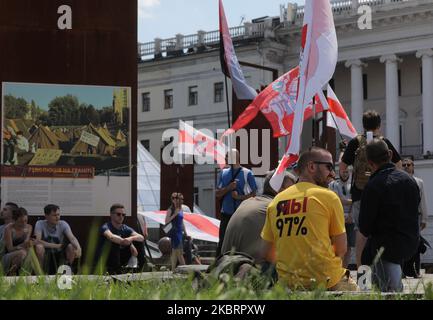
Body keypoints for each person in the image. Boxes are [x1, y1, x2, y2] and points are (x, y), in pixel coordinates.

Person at [261, 147, 358, 291]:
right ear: (311, 167)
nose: (332, 173)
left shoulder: (275, 202)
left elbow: (268, 253)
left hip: (288, 284)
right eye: (328, 167)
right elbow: (342, 249)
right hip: (328, 280)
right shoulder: (329, 197)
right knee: (361, 292)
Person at [339, 110, 402, 268]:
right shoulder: (383, 142)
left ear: (363, 125)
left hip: (360, 193)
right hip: (383, 193)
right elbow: (399, 164)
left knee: (361, 233)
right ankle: (383, 270)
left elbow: (342, 167)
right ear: (379, 125)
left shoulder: (355, 142)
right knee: (382, 230)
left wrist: (346, 176)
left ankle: (363, 276)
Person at [359, 139, 420, 292]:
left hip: (385, 250)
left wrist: (361, 277)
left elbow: (364, 231)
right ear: (391, 154)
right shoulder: (410, 181)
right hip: (409, 246)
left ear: (370, 163)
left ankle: (364, 288)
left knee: (389, 292)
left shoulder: (373, 186)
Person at [221, 170, 297, 266]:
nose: (295, 194)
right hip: (249, 271)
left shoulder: (247, 202)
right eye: (292, 190)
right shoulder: (276, 208)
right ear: (281, 190)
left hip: (225, 267)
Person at [215, 149, 258, 256]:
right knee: (223, 241)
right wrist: (228, 188)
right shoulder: (223, 173)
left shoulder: (247, 173)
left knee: (241, 242)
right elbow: (217, 194)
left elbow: (253, 194)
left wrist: (239, 197)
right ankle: (218, 266)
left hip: (240, 214)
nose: (225, 158)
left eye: (227, 156)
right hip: (226, 214)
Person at [96, 204, 145, 274]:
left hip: (121, 256)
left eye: (123, 215)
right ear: (111, 215)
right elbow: (111, 236)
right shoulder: (106, 227)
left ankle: (140, 268)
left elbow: (141, 237)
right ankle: (116, 270)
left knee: (138, 241)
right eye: (118, 214)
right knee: (115, 242)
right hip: (107, 259)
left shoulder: (125, 227)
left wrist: (130, 240)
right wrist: (125, 242)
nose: (121, 217)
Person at [34, 204, 82, 274]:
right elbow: (37, 241)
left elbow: (72, 238)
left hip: (59, 254)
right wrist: (58, 246)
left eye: (58, 215)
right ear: (46, 216)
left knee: (72, 246)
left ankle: (68, 268)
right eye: (54, 215)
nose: (57, 217)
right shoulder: (39, 223)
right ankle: (40, 271)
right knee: (39, 247)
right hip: (46, 254)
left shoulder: (63, 224)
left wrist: (78, 247)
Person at [401, 157, 428, 278]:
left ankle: (416, 270)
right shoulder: (399, 180)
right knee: (401, 243)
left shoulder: (419, 181)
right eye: (404, 165)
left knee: (416, 244)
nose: (406, 166)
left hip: (415, 216)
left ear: (413, 166)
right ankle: (401, 271)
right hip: (401, 216)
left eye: (408, 164)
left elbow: (423, 201)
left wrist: (424, 218)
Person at [329, 169, 355, 269]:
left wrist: (351, 214)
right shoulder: (333, 184)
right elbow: (337, 200)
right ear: (339, 172)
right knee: (338, 245)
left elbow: (356, 201)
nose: (345, 173)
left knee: (348, 246)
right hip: (338, 218)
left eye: (347, 172)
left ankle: (344, 268)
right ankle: (337, 268)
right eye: (343, 171)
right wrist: (351, 201)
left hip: (350, 218)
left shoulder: (353, 185)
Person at [2, 207, 33, 275]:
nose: (24, 224)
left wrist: (29, 243)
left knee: (30, 252)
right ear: (14, 220)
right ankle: (11, 273)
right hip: (8, 255)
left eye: (26, 221)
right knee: (22, 253)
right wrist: (21, 246)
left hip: (24, 252)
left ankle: (26, 275)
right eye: (21, 221)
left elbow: (26, 242)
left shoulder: (29, 227)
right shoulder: (9, 229)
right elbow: (10, 249)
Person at [165, 193, 190, 271]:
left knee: (175, 252)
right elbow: (166, 221)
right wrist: (175, 214)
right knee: (179, 252)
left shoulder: (181, 209)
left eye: (182, 199)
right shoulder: (171, 209)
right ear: (174, 200)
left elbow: (182, 222)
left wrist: (185, 232)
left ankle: (173, 270)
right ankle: (185, 270)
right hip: (174, 232)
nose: (181, 200)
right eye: (179, 199)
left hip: (179, 232)